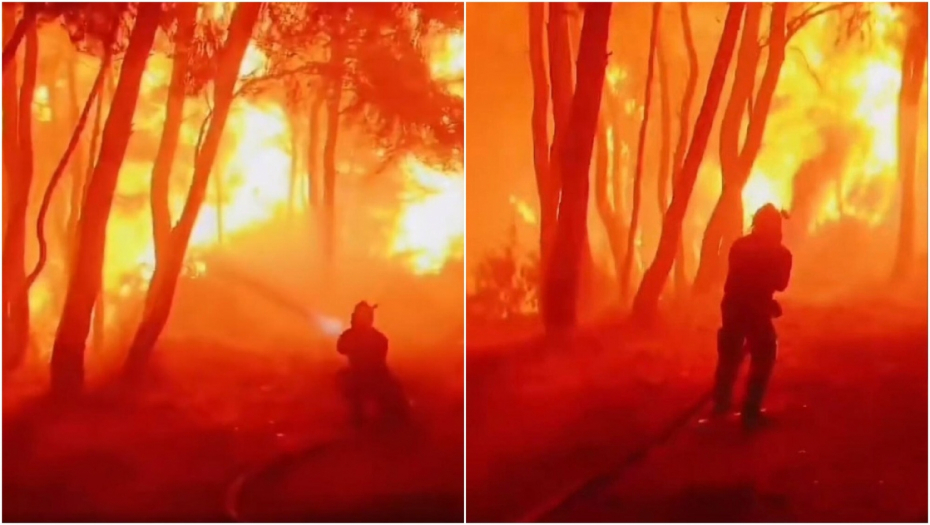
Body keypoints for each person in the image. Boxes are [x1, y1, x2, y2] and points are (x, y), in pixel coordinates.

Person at [712, 203, 792, 429]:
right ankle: (750, 412)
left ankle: (722, 403)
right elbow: (780, 284)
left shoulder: (739, 245)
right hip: (754, 308)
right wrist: (767, 304)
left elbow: (736, 278)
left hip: (732, 305)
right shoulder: (781, 253)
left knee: (729, 354)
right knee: (765, 354)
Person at [336, 301, 410, 427]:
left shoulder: (377, 337)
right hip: (359, 375)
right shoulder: (354, 335)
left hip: (374, 375)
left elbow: (379, 358)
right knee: (346, 383)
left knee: (394, 395)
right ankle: (358, 418)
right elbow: (341, 348)